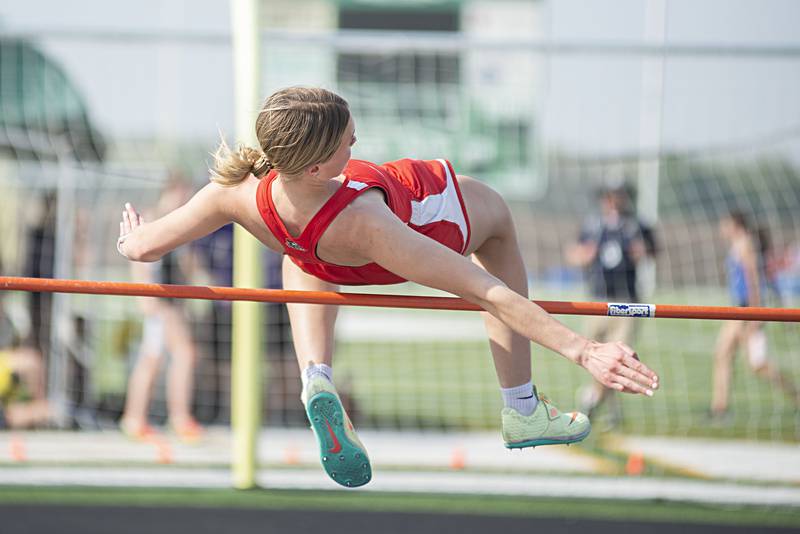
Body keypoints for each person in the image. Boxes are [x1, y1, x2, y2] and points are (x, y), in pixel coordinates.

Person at [116, 87, 659, 488]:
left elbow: (144, 247)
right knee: (496, 224)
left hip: (325, 252)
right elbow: (488, 293)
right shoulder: (369, 220)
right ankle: (521, 408)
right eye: (348, 141)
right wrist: (585, 349)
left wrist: (131, 240)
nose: (357, 142)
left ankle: (316, 376)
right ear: (315, 164)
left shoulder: (235, 194)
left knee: (299, 251)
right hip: (410, 225)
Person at [119, 176, 204, 443]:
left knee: (153, 359)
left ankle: (135, 418)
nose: (184, 199)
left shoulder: (180, 224)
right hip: (158, 300)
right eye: (182, 193)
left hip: (169, 300)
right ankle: (178, 418)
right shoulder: (156, 220)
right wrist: (146, 298)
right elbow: (140, 258)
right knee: (183, 354)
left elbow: (187, 263)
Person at [565, 185, 652, 425]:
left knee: (620, 357)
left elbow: (651, 251)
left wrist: (640, 251)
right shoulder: (593, 225)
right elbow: (573, 253)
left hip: (625, 302)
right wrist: (585, 254)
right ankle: (606, 404)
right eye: (609, 196)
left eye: (617, 196)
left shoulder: (635, 225)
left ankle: (593, 400)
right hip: (597, 301)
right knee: (594, 355)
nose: (613, 201)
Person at [711, 211, 799, 421]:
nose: (722, 228)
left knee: (757, 365)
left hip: (747, 311)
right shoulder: (736, 246)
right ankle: (719, 408)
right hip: (737, 311)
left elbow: (754, 280)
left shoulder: (745, 245)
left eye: (725, 224)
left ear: (735, 224)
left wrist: (756, 314)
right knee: (722, 354)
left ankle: (796, 395)